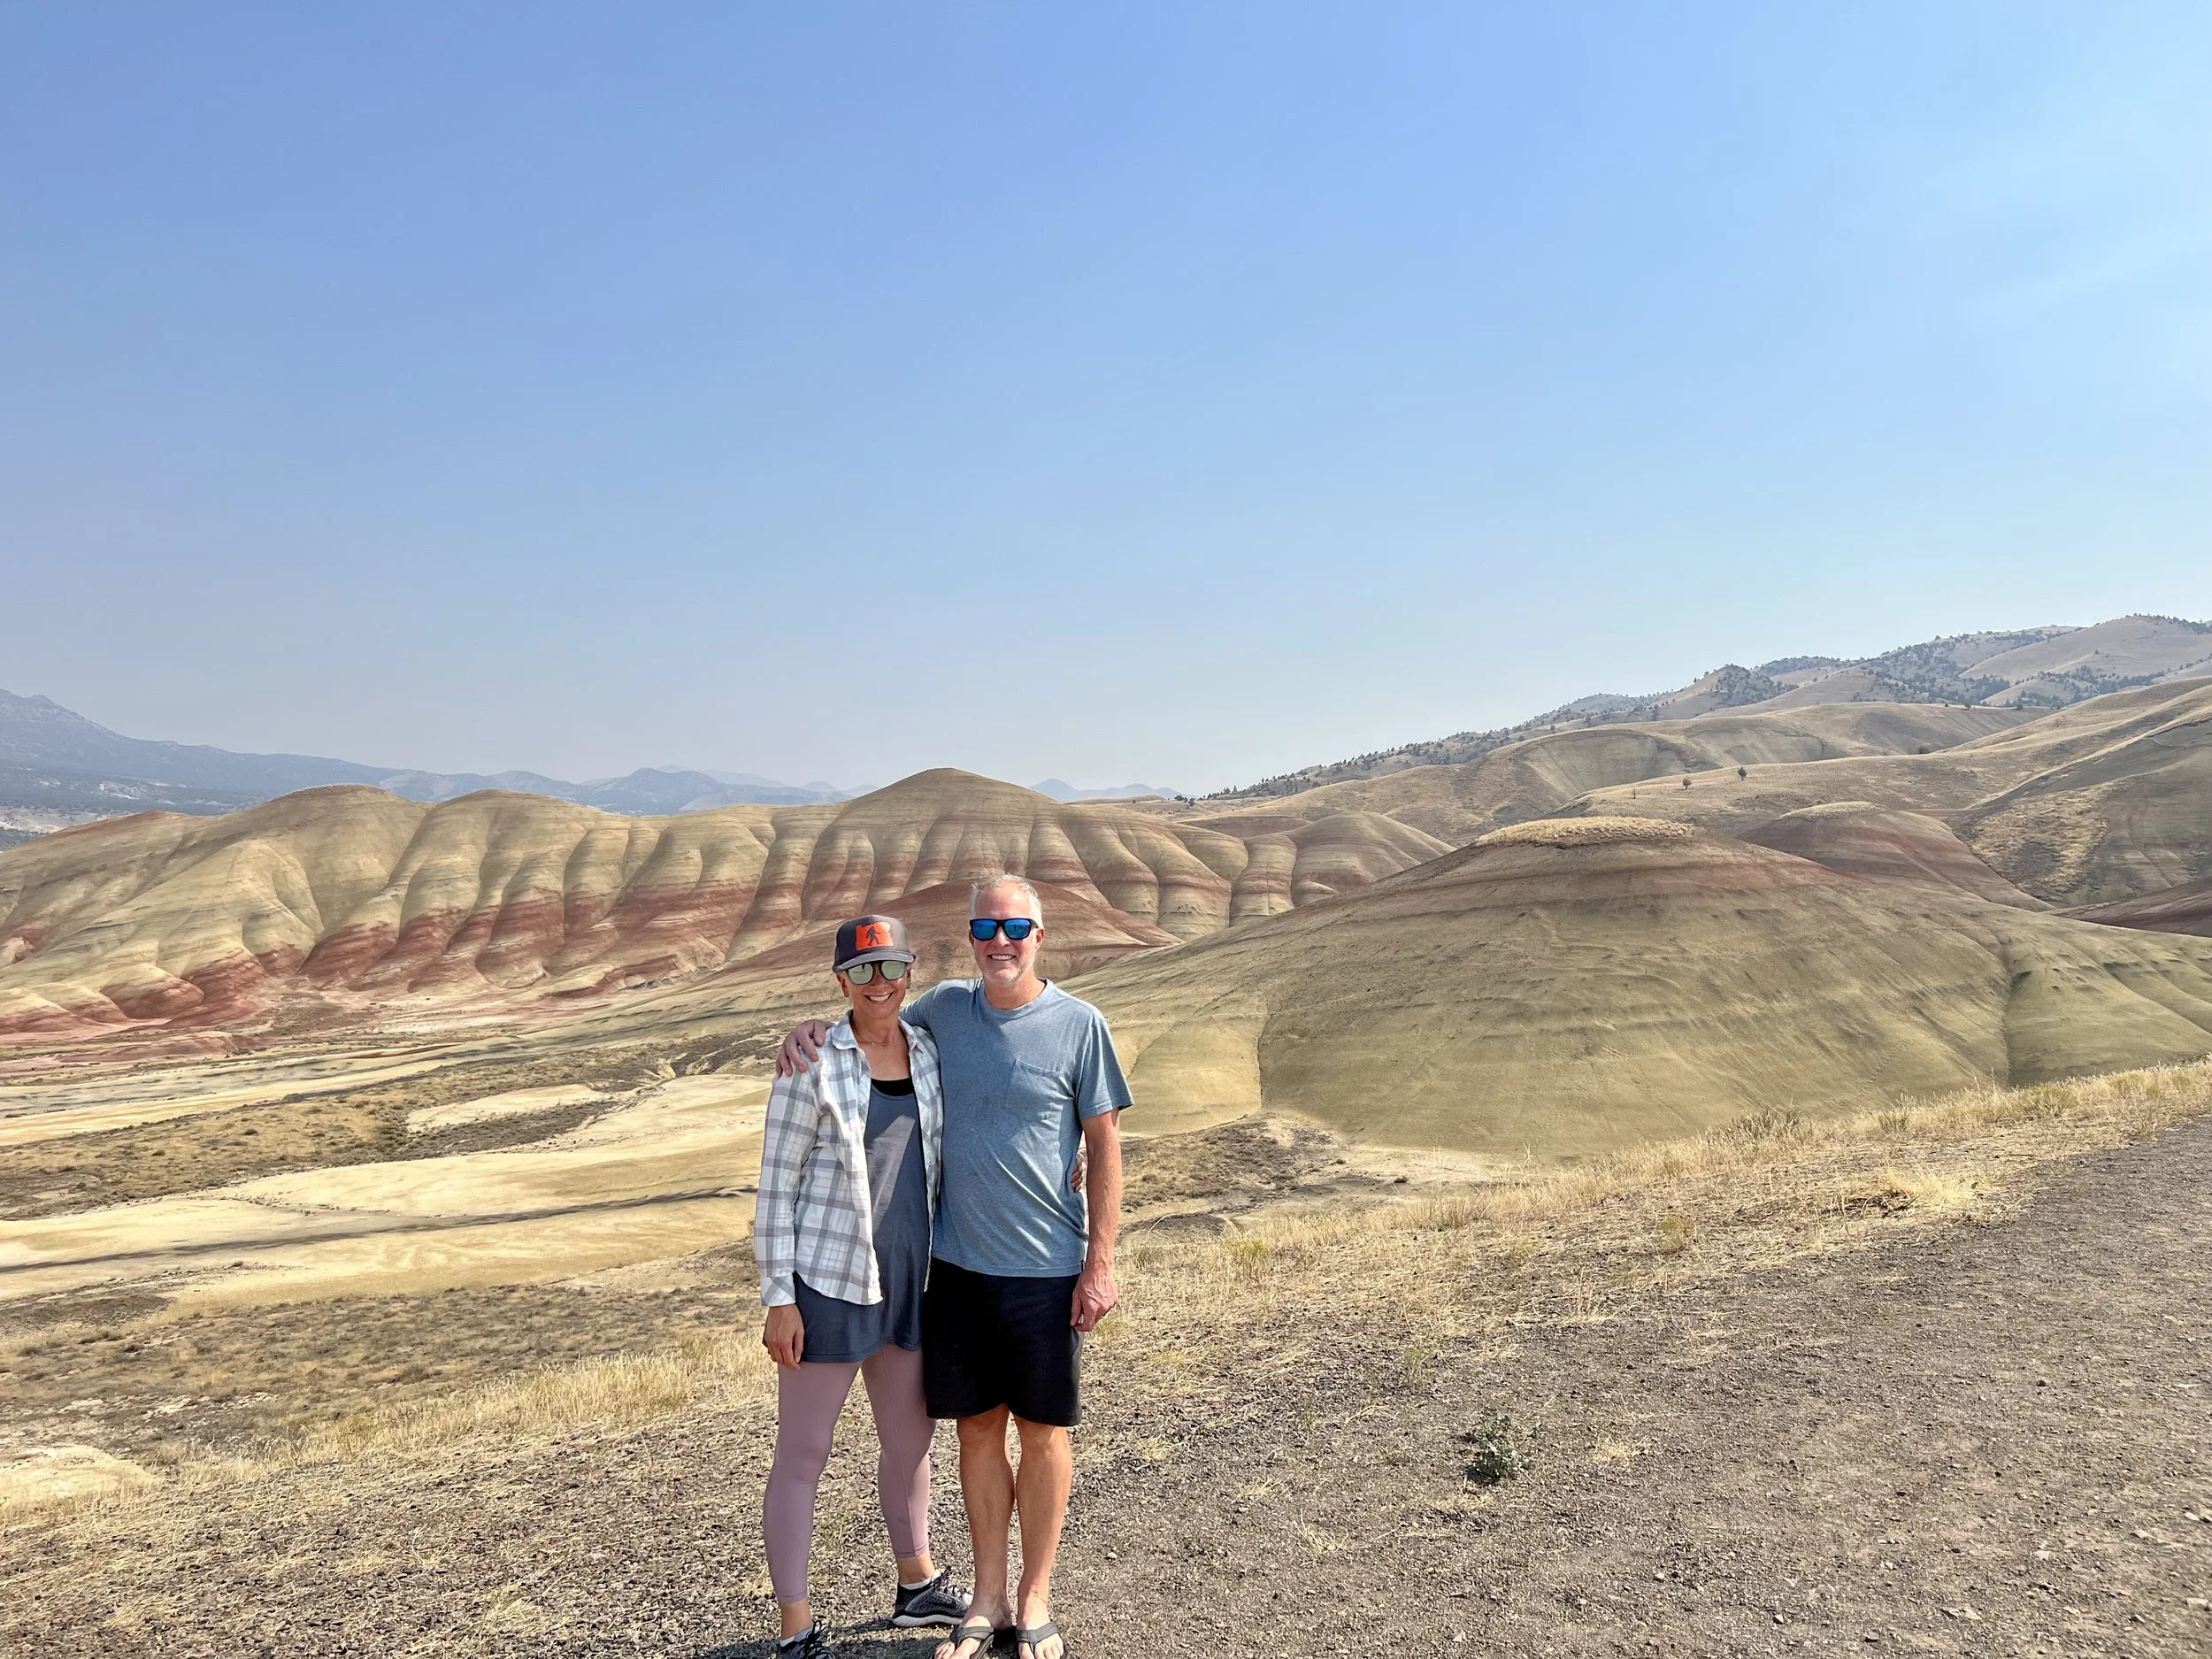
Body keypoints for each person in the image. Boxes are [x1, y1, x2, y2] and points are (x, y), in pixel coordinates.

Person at [779, 875, 1131, 1659]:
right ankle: (985, 1596)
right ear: (970, 938)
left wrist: (1098, 1263)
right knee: (976, 1431)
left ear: (1041, 934)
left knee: (1042, 1435)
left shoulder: (1080, 1024)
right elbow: (869, 1018)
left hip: (1046, 1270)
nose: (999, 939)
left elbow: (1104, 1143)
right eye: (985, 925)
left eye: (1015, 925)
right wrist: (806, 1030)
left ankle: (1036, 1597)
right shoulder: (942, 1010)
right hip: (957, 1272)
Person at [755, 914, 970, 1659]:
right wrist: (778, 1296)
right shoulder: (810, 1062)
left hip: (912, 1282)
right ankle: (796, 1626)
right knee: (803, 1454)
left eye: (893, 967)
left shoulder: (931, 1053)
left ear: (911, 972)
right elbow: (775, 1186)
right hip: (829, 1287)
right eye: (864, 969)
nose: (881, 983)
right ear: (840, 978)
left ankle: (916, 1585)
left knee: (911, 1445)